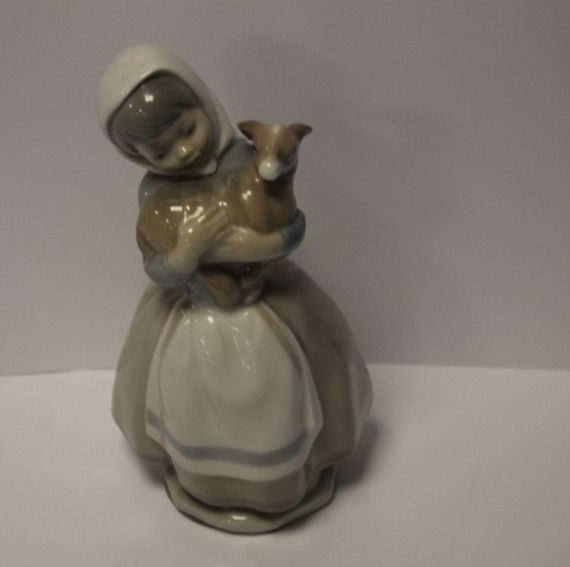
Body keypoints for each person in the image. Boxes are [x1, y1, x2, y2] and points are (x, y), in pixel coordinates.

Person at [97, 45, 372, 526]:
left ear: (204, 103)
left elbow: (293, 224)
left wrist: (258, 245)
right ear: (135, 156)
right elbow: (156, 266)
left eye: (187, 129)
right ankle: (207, 483)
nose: (182, 151)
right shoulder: (156, 194)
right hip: (197, 305)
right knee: (188, 391)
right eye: (160, 150)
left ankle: (283, 482)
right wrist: (185, 255)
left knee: (285, 380)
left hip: (264, 294)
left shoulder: (249, 161)